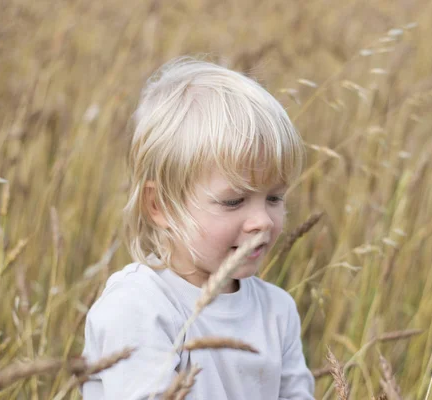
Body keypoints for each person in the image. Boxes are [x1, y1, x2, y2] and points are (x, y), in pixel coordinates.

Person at [82, 56, 315, 399]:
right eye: (233, 201)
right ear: (159, 206)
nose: (263, 221)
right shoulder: (140, 308)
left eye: (275, 198)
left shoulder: (277, 311)